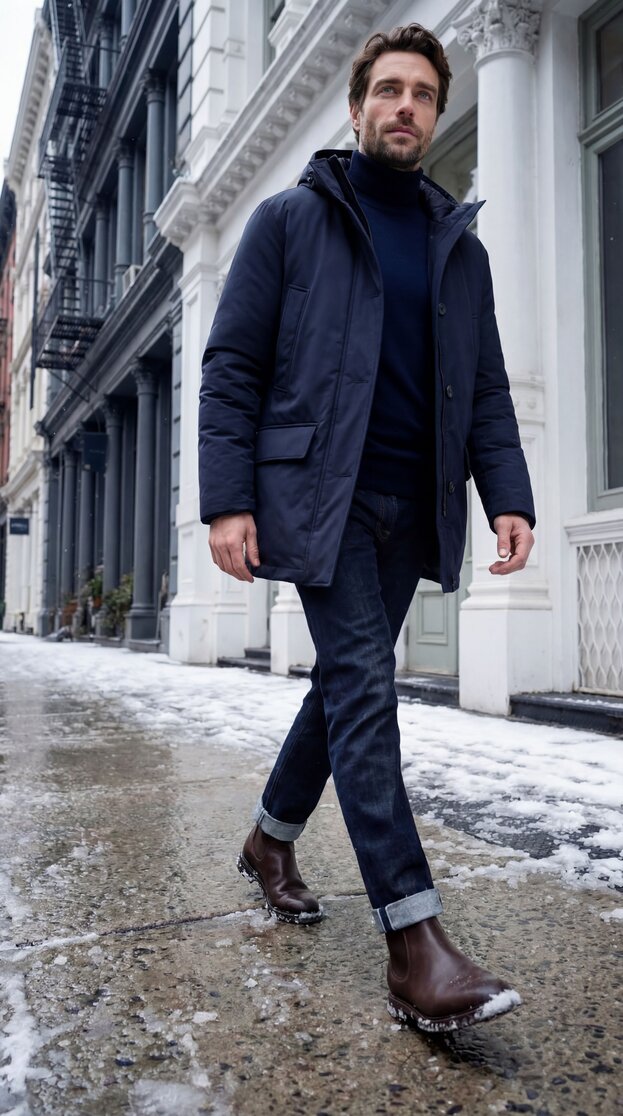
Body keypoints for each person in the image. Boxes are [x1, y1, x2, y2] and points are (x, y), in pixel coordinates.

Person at [198, 23, 535, 1033]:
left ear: (433, 113)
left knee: (345, 686)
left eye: (423, 94)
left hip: (410, 503)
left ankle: (268, 840)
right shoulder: (290, 221)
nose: (404, 107)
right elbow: (231, 369)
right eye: (386, 90)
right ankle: (412, 940)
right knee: (363, 688)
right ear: (355, 108)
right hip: (320, 498)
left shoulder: (454, 245)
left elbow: (481, 389)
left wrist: (505, 494)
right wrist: (227, 498)